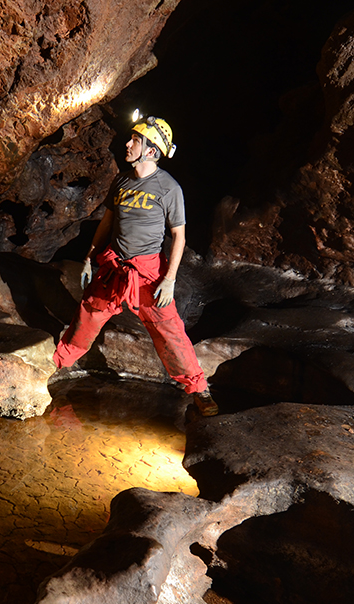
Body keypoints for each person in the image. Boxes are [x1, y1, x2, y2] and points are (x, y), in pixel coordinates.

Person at [53, 112, 219, 417]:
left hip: (148, 273)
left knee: (170, 331)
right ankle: (57, 364)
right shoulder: (122, 181)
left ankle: (199, 389)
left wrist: (169, 280)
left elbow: (179, 237)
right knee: (88, 314)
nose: (128, 143)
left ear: (151, 151)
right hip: (115, 267)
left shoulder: (169, 189)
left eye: (135, 140)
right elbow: (108, 222)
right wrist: (90, 255)